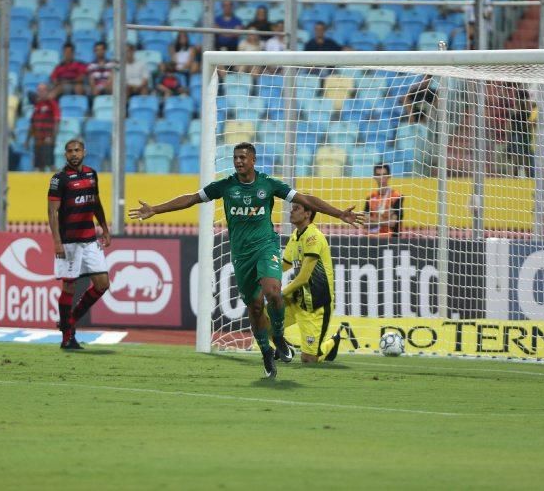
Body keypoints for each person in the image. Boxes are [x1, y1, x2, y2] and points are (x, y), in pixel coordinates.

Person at [129, 142, 364, 378]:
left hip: (265, 246)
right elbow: (191, 199)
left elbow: (306, 199)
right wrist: (156, 209)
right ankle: (266, 353)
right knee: (255, 307)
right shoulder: (225, 186)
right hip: (241, 256)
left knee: (273, 291)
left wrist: (338, 213)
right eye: (235, 158)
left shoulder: (268, 184)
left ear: (253, 160)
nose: (238, 161)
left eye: (243, 157)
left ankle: (280, 337)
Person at [48, 139, 111, 350]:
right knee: (69, 286)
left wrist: (105, 227)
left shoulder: (92, 174)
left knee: (102, 284)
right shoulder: (59, 179)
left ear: (84, 152)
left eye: (77, 150)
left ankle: (69, 321)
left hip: (90, 239)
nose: (74, 154)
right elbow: (52, 212)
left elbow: (96, 203)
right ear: (65, 154)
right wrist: (57, 241)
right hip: (69, 241)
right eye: (69, 151)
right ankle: (67, 336)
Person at [281, 202, 351, 363]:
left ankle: (331, 344)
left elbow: (303, 278)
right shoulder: (295, 236)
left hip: (315, 304)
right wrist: (262, 276)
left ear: (308, 214)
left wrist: (279, 294)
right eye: (292, 208)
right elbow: (284, 266)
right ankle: (283, 350)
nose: (291, 211)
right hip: (296, 298)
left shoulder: (314, 237)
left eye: (296, 208)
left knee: (309, 359)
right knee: (262, 322)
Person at [364, 164, 403, 236]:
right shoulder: (370, 198)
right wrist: (386, 220)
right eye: (378, 175)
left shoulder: (397, 196)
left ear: (389, 176)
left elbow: (392, 223)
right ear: (374, 177)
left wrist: (372, 220)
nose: (381, 178)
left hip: (392, 241)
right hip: (372, 239)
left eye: (384, 174)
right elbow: (365, 223)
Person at [29, 83, 60, 171]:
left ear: (47, 92)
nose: (41, 93)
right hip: (38, 139)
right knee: (39, 165)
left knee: (50, 164)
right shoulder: (37, 105)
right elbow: (33, 122)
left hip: (48, 138)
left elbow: (57, 121)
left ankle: (58, 182)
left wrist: (53, 137)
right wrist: (29, 139)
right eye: (39, 90)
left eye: (43, 90)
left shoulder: (52, 104)